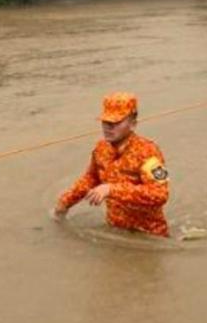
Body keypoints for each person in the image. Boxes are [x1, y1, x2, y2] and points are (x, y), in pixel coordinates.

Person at [52, 92, 170, 237]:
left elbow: (160, 194)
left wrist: (112, 189)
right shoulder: (101, 149)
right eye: (106, 122)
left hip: (149, 236)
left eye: (115, 123)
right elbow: (90, 179)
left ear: (133, 124)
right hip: (115, 231)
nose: (108, 127)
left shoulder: (149, 153)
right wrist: (64, 203)